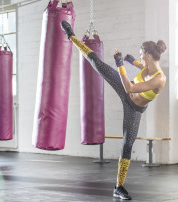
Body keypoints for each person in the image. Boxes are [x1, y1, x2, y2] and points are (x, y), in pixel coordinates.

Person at [60, 20, 167, 200]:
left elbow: (130, 89)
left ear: (149, 55)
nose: (141, 58)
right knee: (97, 63)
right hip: (128, 88)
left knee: (127, 145)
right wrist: (131, 59)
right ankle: (71, 36)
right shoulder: (148, 66)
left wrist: (120, 64)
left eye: (141, 55)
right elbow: (141, 68)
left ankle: (119, 187)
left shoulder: (160, 79)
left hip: (134, 108)